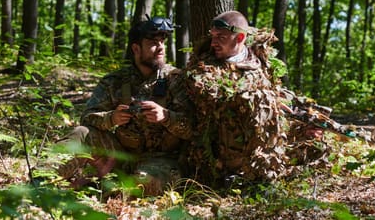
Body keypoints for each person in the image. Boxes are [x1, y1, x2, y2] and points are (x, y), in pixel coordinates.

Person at [50, 15, 193, 196]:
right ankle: (39, 180)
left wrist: (166, 116)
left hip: (162, 161)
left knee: (143, 183)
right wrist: (111, 118)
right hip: (120, 155)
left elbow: (193, 128)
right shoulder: (116, 81)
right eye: (153, 42)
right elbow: (87, 117)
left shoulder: (176, 80)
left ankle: (109, 194)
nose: (161, 47)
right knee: (81, 133)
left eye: (162, 41)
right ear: (136, 48)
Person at [175, 10, 290, 187]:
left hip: (258, 151)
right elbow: (211, 98)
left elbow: (277, 92)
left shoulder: (260, 63)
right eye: (212, 36)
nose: (213, 43)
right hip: (219, 156)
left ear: (240, 38)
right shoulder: (205, 66)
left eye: (221, 37)